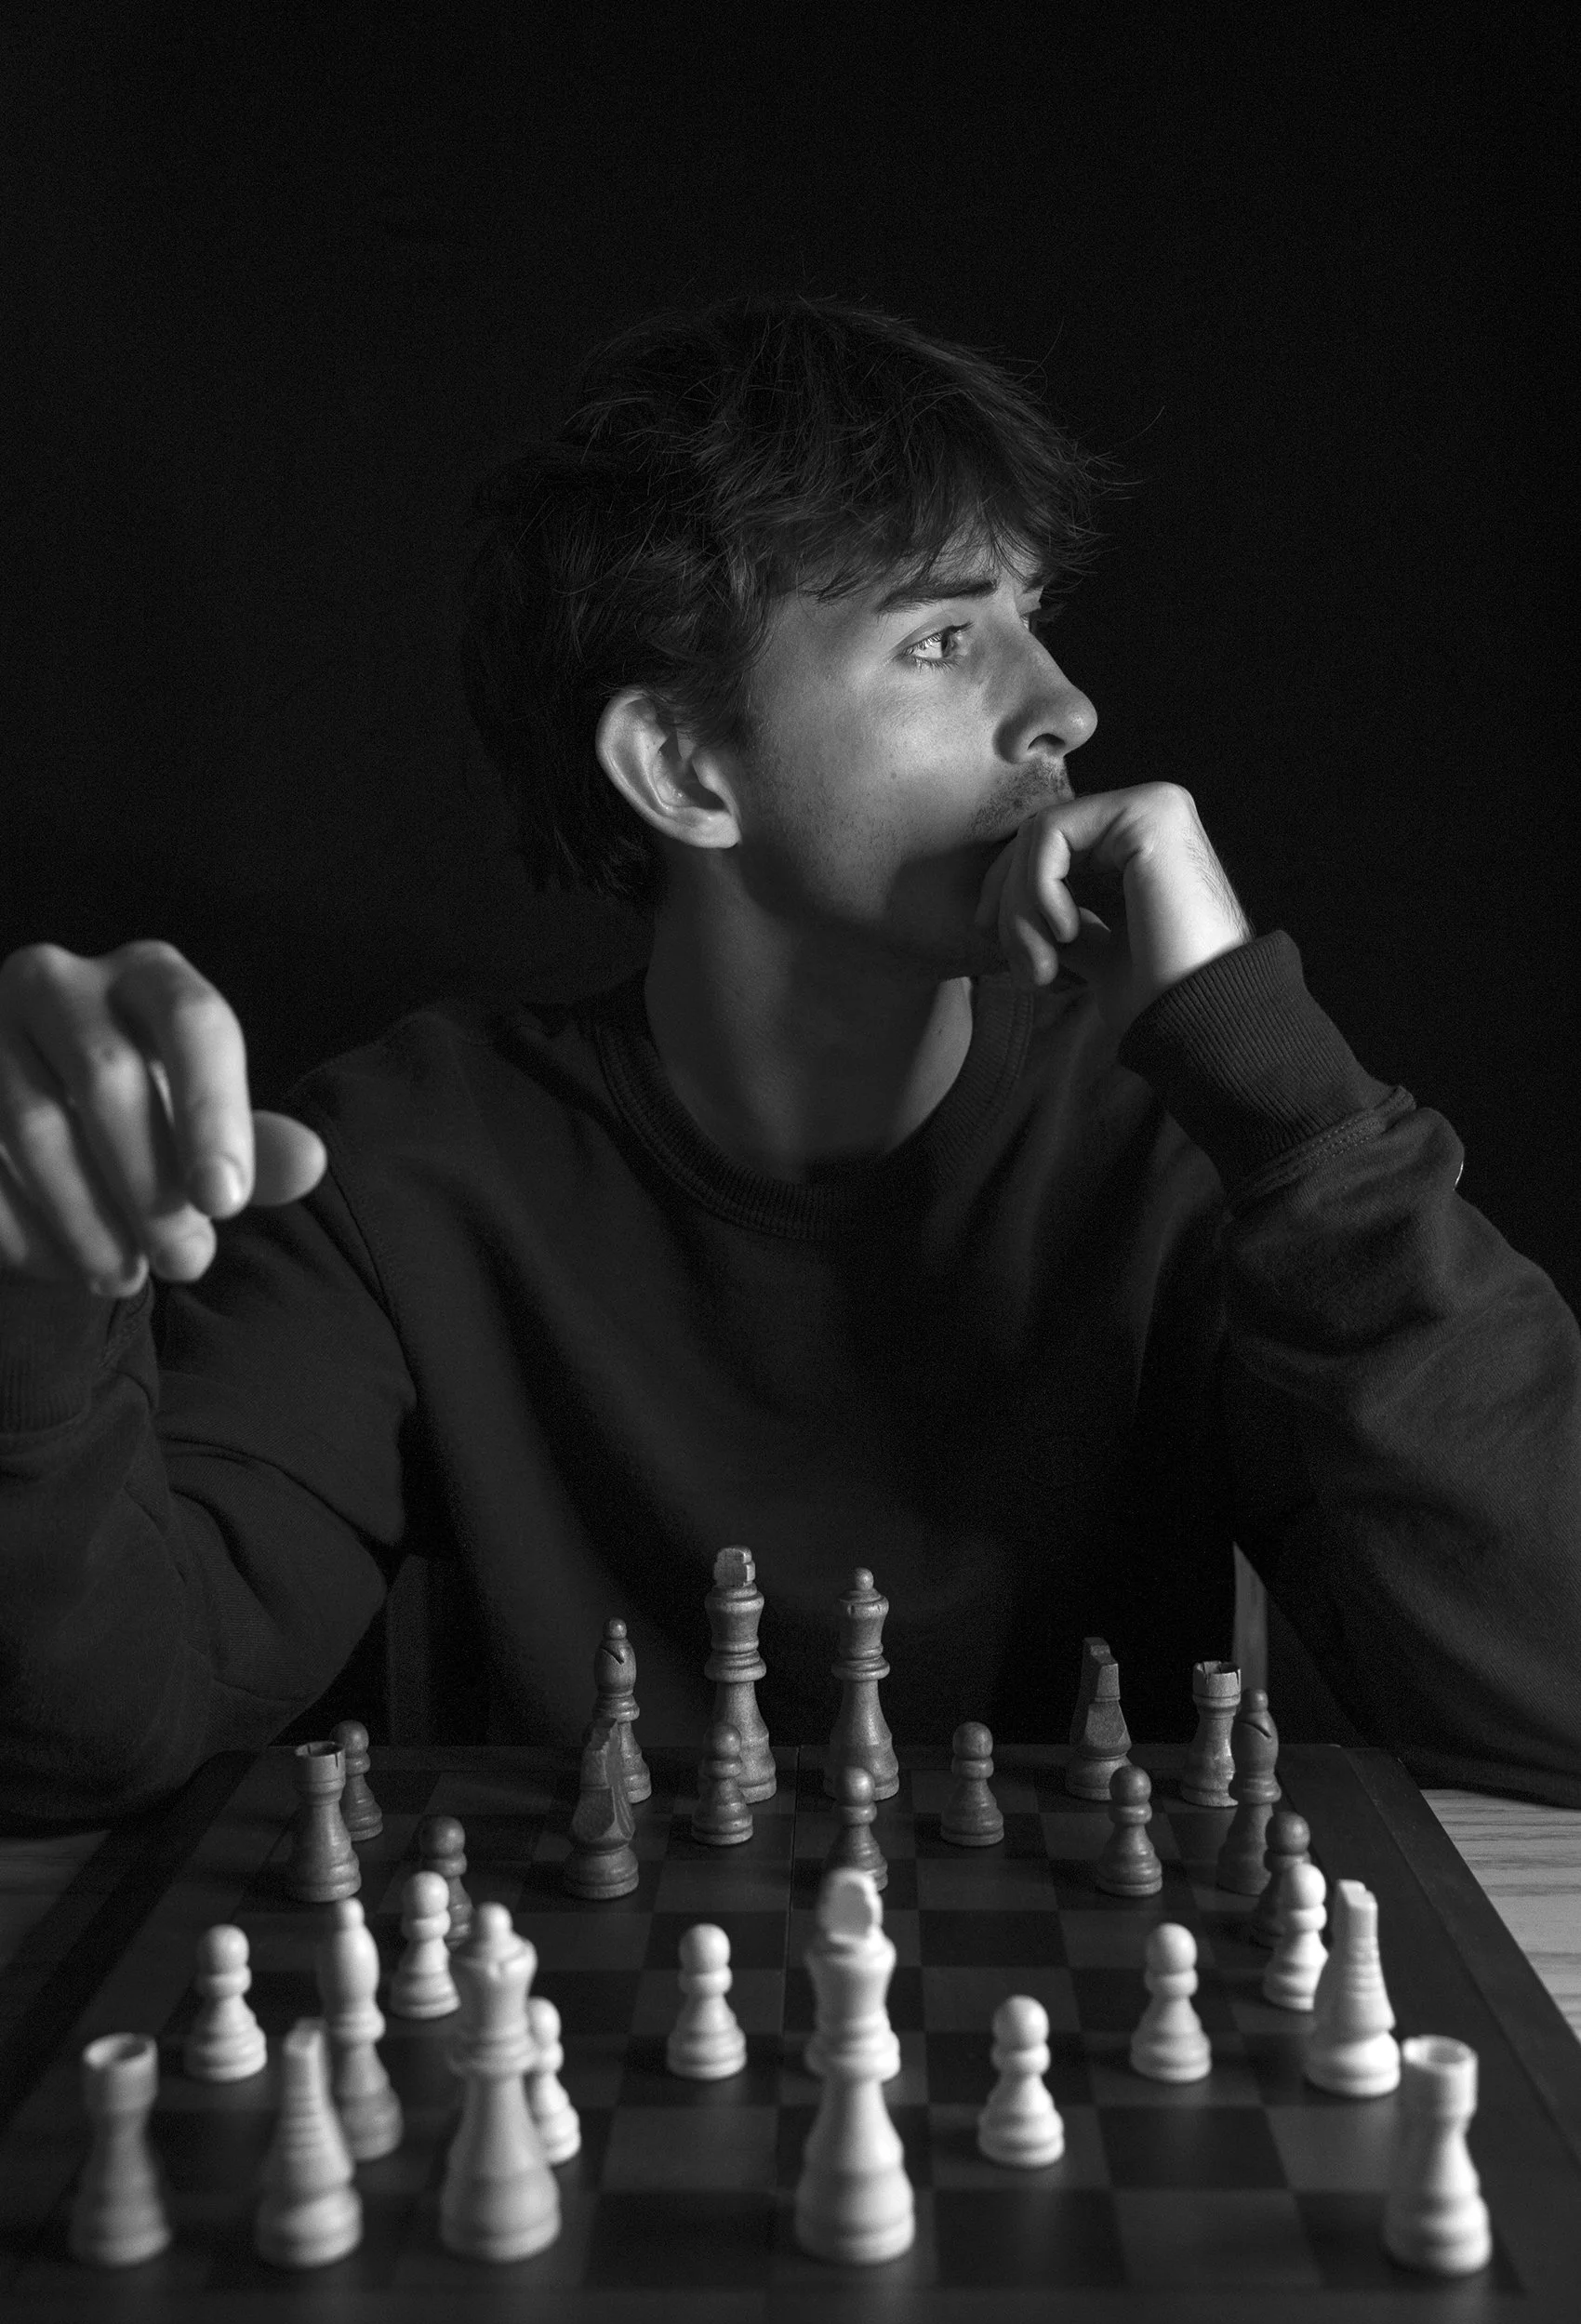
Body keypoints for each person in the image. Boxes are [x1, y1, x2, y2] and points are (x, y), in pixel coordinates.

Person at [2, 293, 1578, 1826]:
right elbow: (90, 1737)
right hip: (585, 2063)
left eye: (1034, 616)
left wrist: (1283, 1087)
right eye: (946, 637)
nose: (1066, 705)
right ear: (684, 767)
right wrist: (33, 1295)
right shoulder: (405, 1171)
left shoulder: (1184, 1136)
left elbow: (1557, 1693)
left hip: (1072, 2064)